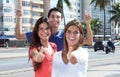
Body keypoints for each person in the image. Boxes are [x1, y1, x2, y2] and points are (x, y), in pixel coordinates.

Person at [15, 5, 93, 51]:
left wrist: (88, 23)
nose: (55, 19)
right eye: (52, 16)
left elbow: (89, 41)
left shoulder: (66, 35)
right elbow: (18, 36)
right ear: (48, 18)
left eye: (58, 17)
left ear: (61, 20)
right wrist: (19, 18)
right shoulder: (41, 34)